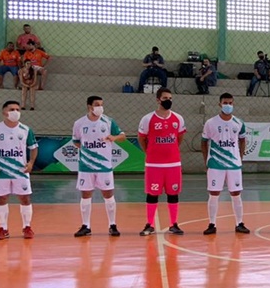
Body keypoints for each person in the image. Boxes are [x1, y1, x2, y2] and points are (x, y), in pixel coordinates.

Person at [72, 96, 125, 237]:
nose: (100, 107)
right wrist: (89, 152)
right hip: (86, 166)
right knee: (85, 195)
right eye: (97, 105)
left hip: (104, 166)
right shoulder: (79, 123)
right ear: (89, 106)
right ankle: (86, 226)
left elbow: (123, 135)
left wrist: (113, 138)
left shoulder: (108, 121)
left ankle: (112, 225)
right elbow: (76, 142)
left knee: (108, 195)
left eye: (101, 104)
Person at [136, 86, 186, 236]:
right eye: (165, 98)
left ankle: (173, 224)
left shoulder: (178, 118)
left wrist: (171, 150)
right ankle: (149, 224)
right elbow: (141, 138)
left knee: (173, 193)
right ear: (158, 100)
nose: (168, 101)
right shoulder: (148, 119)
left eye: (170, 98)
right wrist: (150, 152)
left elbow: (179, 138)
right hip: (154, 164)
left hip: (173, 164)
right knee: (152, 193)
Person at [0, 100, 37, 240]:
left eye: (18, 109)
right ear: (4, 112)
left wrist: (31, 162)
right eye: (12, 109)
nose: (15, 112)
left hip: (21, 171)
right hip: (1, 172)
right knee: (1, 198)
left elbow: (34, 148)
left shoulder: (25, 130)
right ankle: (3, 228)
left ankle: (27, 227)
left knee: (25, 198)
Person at [201, 92, 250, 235]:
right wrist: (206, 161)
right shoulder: (211, 123)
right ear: (219, 104)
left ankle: (239, 223)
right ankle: (212, 224)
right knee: (214, 193)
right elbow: (204, 142)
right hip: (215, 164)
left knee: (236, 193)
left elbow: (242, 140)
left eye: (230, 103)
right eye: (225, 103)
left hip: (234, 164)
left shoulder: (239, 123)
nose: (228, 105)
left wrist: (240, 157)